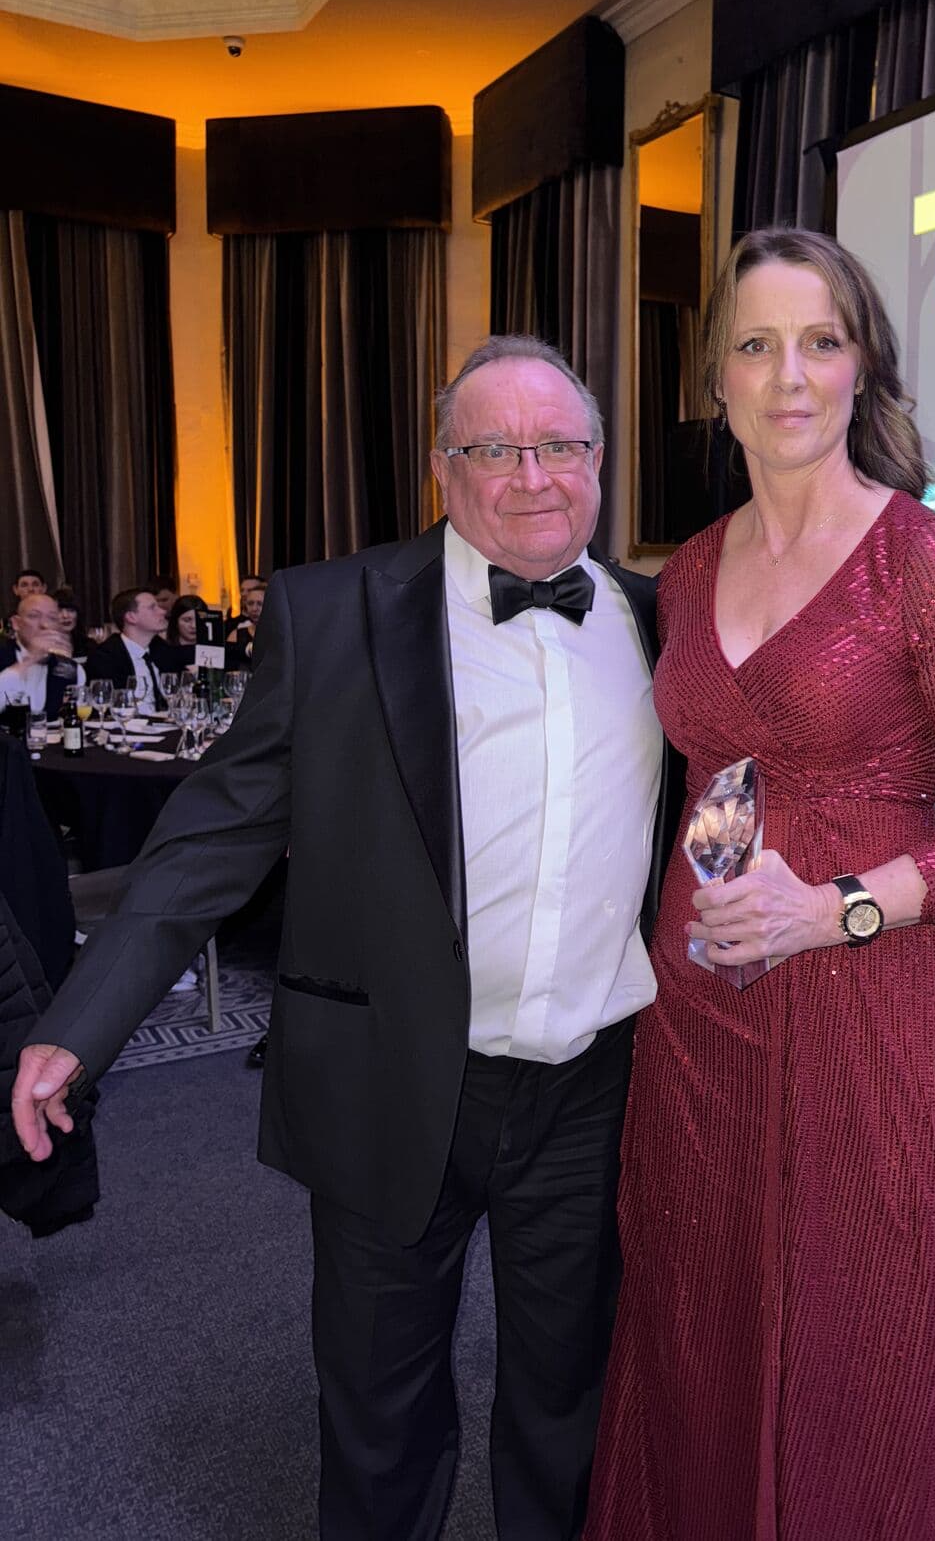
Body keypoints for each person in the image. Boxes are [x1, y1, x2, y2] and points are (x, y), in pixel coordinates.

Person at [13, 333, 680, 1541]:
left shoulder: (656, 617)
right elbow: (212, 836)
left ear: (601, 460)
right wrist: (79, 1028)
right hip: (387, 1080)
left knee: (567, 1398)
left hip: (593, 1089)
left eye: (564, 446)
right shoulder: (333, 611)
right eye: (496, 449)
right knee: (379, 1410)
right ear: (443, 469)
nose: (535, 475)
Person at [584, 229, 935, 1541]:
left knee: (868, 1367)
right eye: (754, 342)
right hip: (699, 1038)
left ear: (863, 368)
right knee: (699, 1339)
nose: (785, 373)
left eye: (819, 340)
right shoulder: (686, 570)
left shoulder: (927, 561)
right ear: (716, 378)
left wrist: (840, 903)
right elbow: (706, 781)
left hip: (873, 1025)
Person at [0, 593, 85, 716]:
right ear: (16, 623)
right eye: (34, 616)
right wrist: (29, 660)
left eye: (52, 618)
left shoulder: (72, 670)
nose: (44, 625)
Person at [88, 589, 171, 713]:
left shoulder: (163, 650)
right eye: (152, 607)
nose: (163, 611)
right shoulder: (106, 657)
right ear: (131, 617)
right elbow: (106, 706)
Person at [156, 593, 208, 672]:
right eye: (187, 620)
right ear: (175, 622)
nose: (193, 626)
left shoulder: (213, 649)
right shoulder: (163, 649)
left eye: (199, 620)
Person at [51, 587, 92, 663]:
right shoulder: (42, 647)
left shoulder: (89, 646)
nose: (65, 616)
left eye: (71, 610)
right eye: (59, 611)